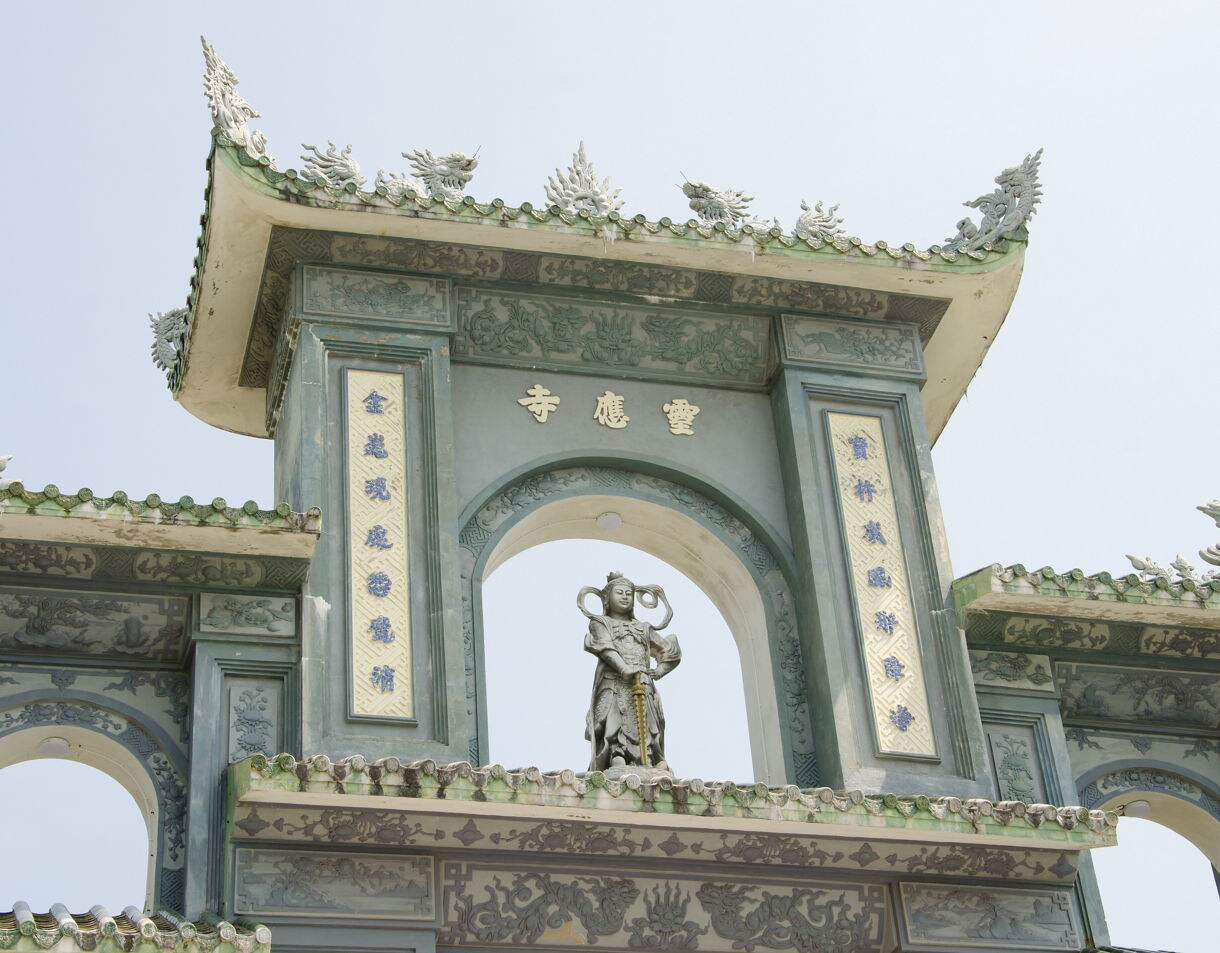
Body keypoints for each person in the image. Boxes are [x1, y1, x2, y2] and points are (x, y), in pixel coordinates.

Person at [580, 572, 681, 771]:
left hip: (642, 682)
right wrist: (623, 668)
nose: (625, 596)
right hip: (613, 682)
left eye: (628, 593)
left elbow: (669, 650)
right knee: (614, 717)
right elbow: (605, 647)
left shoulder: (642, 628)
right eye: (620, 593)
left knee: (648, 719)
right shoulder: (601, 623)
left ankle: (652, 756)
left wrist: (658, 671)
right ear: (607, 598)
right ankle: (617, 752)